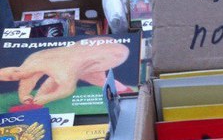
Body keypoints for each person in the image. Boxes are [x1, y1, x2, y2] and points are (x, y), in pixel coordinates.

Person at [0, 38, 134, 108]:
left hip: (102, 57)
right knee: (97, 80)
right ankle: (126, 91)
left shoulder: (61, 69)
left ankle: (127, 92)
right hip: (86, 56)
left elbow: (67, 89)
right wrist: (24, 96)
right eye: (11, 78)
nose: (16, 76)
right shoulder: (33, 61)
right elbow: (28, 81)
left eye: (13, 74)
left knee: (97, 80)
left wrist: (47, 98)